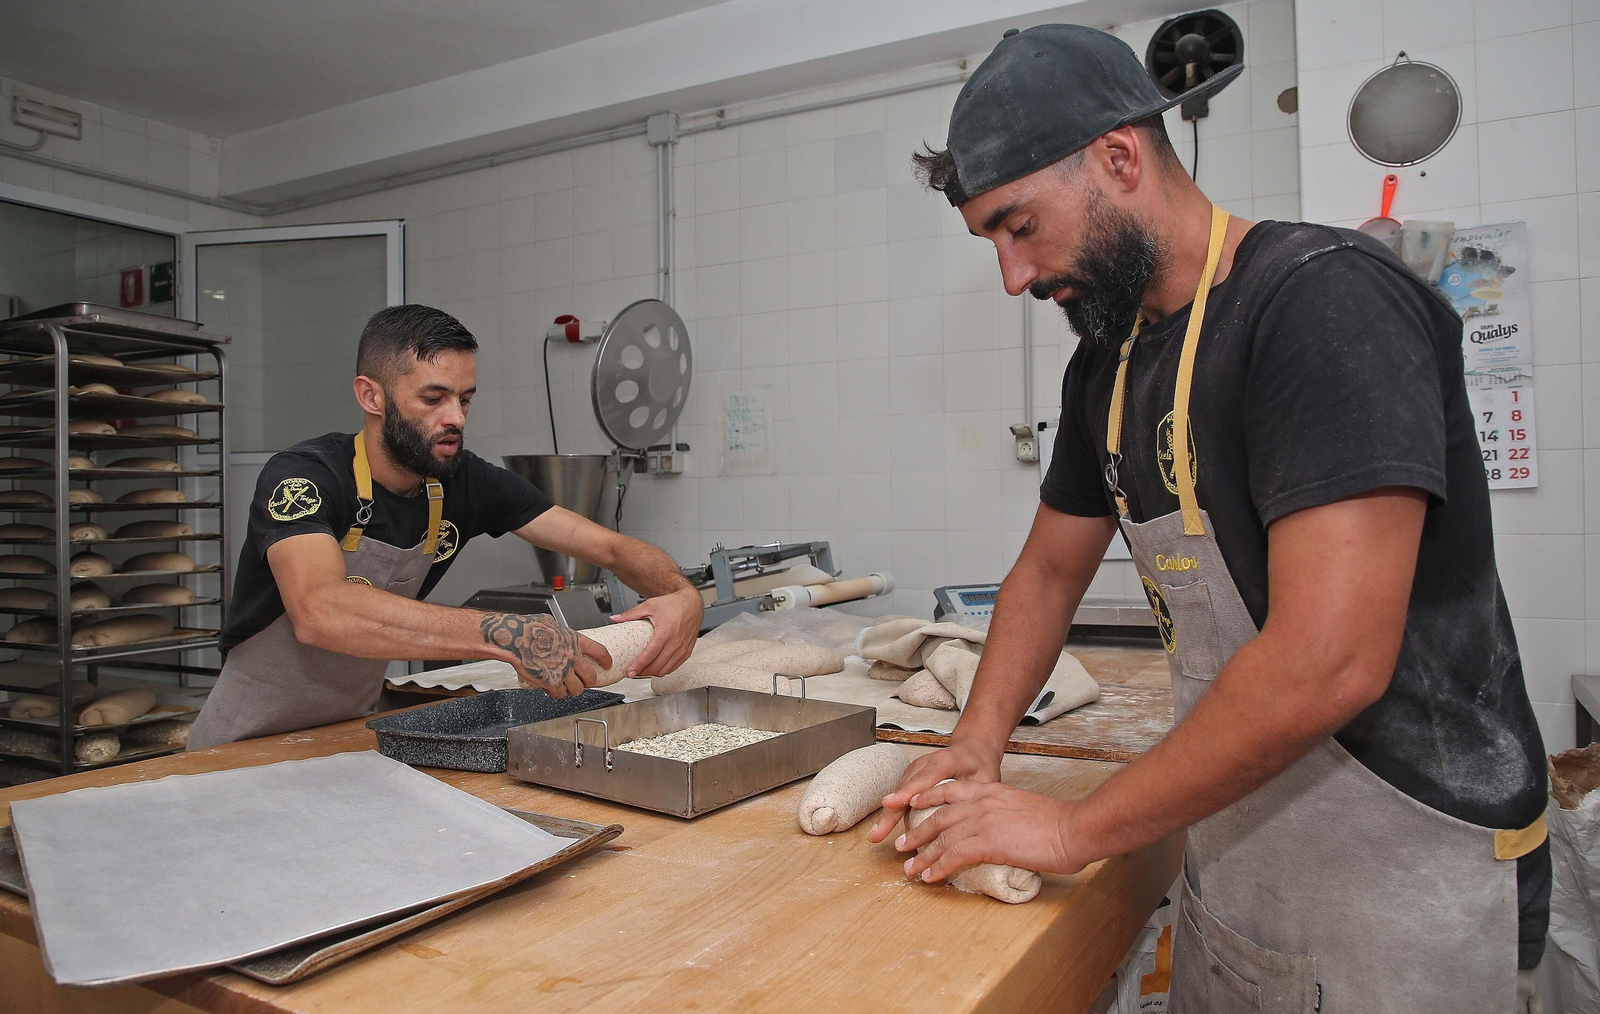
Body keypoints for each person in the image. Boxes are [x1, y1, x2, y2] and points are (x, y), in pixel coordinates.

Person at [870, 25, 1548, 1013]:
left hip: (1408, 881)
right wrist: (979, 737)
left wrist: (1066, 832)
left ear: (1117, 155)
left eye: (1018, 227)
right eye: (991, 244)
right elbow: (1050, 571)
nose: (1013, 278)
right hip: (1239, 853)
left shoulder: (1321, 305)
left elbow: (1329, 657)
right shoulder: (1107, 364)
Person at [188, 304, 702, 749]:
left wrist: (683, 596)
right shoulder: (305, 476)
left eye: (466, 399)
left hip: (348, 733)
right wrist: (505, 634)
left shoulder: (465, 481)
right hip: (242, 745)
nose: (455, 417)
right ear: (372, 396)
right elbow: (320, 610)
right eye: (433, 399)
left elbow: (610, 549)